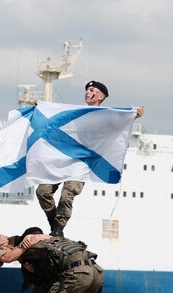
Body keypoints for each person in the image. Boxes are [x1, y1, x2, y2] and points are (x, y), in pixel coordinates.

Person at [36, 80, 145, 236]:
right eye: (86, 89)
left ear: (100, 96)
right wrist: (40, 107)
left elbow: (118, 121)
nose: (87, 92)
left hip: (82, 162)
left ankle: (59, 228)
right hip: (64, 158)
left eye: (92, 90)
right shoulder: (76, 113)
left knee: (68, 193)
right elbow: (55, 117)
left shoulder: (105, 116)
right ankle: (53, 222)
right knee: (42, 191)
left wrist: (133, 115)